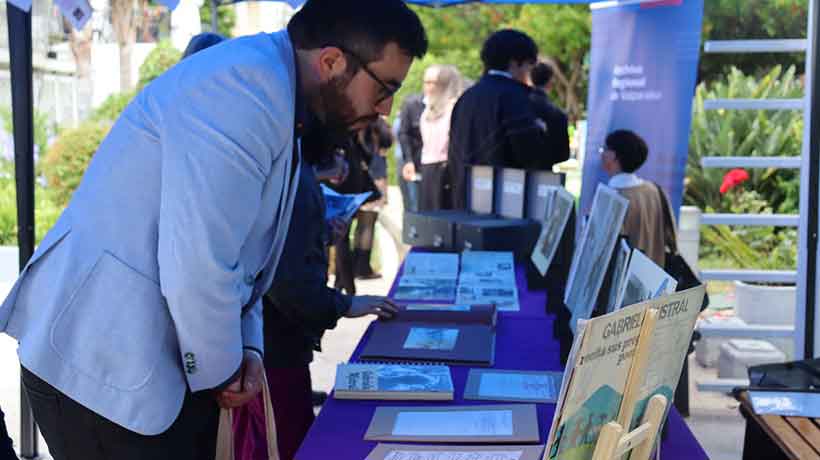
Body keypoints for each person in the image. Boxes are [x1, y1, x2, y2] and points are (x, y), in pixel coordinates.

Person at [0, 0, 427, 458]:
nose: (385, 109)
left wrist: (249, 351)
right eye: (384, 88)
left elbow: (249, 256)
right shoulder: (242, 91)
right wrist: (223, 371)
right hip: (103, 370)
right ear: (331, 62)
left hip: (142, 366)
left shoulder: (276, 90)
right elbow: (200, 261)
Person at [233, 140, 399, 460]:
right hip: (273, 350)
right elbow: (289, 282)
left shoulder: (290, 163)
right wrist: (346, 304)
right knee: (283, 441)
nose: (382, 110)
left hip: (278, 346)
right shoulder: (288, 166)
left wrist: (321, 235)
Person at [449, 29, 568, 209]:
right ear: (515, 63)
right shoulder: (516, 97)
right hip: (506, 206)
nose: (530, 72)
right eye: (529, 65)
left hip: (466, 200)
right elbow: (530, 154)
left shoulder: (465, 98)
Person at [600, 129, 676, 267]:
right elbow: (670, 238)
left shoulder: (612, 199)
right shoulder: (655, 190)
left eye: (604, 149)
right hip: (656, 279)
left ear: (614, 156)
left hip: (625, 285)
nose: (602, 154)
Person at [418, 65, 465, 211]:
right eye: (426, 82)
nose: (429, 87)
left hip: (445, 168)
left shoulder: (454, 107)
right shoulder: (427, 108)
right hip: (428, 166)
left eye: (434, 83)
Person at [354, 118, 392, 280]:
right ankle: (363, 267)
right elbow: (386, 143)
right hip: (373, 178)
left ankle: (355, 265)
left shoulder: (356, 127)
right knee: (367, 225)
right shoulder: (377, 128)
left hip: (358, 179)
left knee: (359, 227)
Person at [529, 62, 570, 167]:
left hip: (513, 174)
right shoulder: (558, 114)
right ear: (550, 82)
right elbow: (563, 155)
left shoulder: (517, 105)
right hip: (544, 172)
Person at [397, 93, 424, 212]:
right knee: (414, 201)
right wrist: (408, 160)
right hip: (410, 160)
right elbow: (402, 135)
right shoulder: (409, 112)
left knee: (411, 201)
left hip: (407, 159)